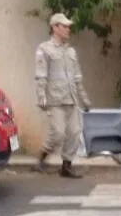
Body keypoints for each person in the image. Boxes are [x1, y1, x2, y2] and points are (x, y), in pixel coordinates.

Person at [34, 13, 91, 178]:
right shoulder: (44, 49)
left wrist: (84, 98)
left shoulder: (71, 51)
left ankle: (66, 166)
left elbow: (77, 77)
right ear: (55, 27)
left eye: (68, 27)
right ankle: (41, 157)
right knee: (58, 133)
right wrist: (41, 96)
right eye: (64, 26)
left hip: (71, 98)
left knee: (74, 132)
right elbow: (41, 75)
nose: (68, 29)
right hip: (55, 99)